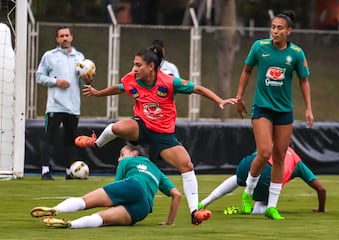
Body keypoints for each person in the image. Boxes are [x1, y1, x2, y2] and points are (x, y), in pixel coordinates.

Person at [74, 45, 238, 225]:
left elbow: (197, 89)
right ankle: (96, 143)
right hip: (142, 126)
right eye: (134, 65)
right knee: (118, 127)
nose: (134, 69)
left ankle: (194, 212)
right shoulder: (132, 79)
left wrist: (219, 100)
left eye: (138, 65)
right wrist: (98, 94)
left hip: (163, 136)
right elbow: (119, 88)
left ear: (151, 67)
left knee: (187, 165)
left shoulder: (169, 82)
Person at [235, 10, 314, 220]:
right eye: (273, 27)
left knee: (279, 156)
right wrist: (239, 96)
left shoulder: (296, 53)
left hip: (284, 111)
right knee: (264, 152)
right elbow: (246, 70)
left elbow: (304, 81)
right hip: (262, 108)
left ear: (289, 31)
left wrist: (308, 108)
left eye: (280, 28)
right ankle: (247, 194)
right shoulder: (259, 47)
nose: (275, 31)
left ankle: (272, 206)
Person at [30, 143, 182, 228]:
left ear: (134, 153)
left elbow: (117, 185)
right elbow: (177, 195)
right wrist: (169, 222)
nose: (119, 159)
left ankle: (57, 209)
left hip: (132, 186)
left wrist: (112, 202)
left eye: (122, 154)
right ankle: (71, 224)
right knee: (102, 219)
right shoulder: (157, 171)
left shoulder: (128, 161)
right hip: (143, 208)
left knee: (85, 202)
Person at [198, 146, 326, 215]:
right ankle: (250, 211)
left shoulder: (269, 144)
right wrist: (321, 209)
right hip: (267, 174)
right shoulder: (297, 161)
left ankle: (204, 202)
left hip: (248, 162)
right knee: (266, 199)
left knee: (238, 179)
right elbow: (321, 189)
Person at [35, 26, 92, 180]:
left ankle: (69, 171)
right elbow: (39, 76)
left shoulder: (79, 57)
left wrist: (87, 79)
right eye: (61, 36)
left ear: (71, 37)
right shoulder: (49, 55)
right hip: (55, 105)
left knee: (71, 140)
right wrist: (56, 81)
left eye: (67, 35)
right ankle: (45, 171)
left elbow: (81, 83)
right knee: (49, 138)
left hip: (73, 107)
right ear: (57, 39)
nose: (64, 38)